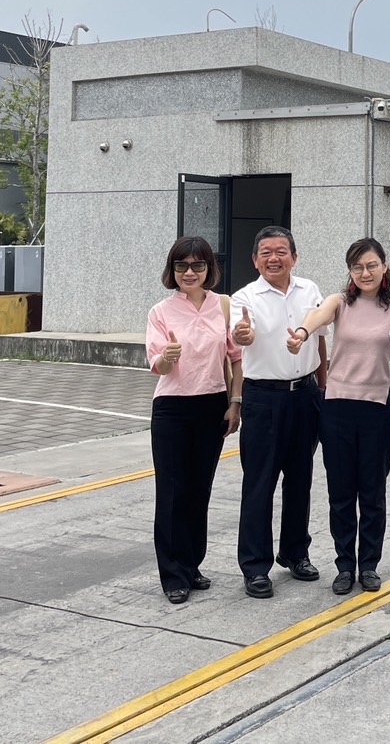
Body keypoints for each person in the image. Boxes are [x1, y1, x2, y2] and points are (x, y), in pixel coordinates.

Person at [288, 238, 390, 595]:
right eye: (357, 267)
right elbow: (317, 316)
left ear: (384, 266)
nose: (365, 272)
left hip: (376, 411)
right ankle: (344, 566)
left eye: (371, 265)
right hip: (337, 408)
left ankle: (369, 566)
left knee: (372, 493)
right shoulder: (340, 303)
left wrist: (381, 389)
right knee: (340, 494)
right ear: (350, 272)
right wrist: (301, 333)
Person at [229, 225, 327, 599]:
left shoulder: (310, 290)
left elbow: (320, 341)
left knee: (300, 479)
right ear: (255, 260)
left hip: (305, 395)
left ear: (294, 257)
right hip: (263, 400)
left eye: (281, 251)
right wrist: (243, 334)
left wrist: (324, 388)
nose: (274, 258)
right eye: (266, 252)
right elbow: (243, 334)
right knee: (260, 483)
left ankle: (295, 553)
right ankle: (255, 566)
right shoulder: (244, 298)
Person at [144, 235, 242, 604]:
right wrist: (168, 356)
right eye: (181, 266)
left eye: (197, 265)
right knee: (172, 492)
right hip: (172, 408)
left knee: (200, 491)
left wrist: (235, 403)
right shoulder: (161, 312)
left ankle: (191, 565)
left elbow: (236, 358)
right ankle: (173, 576)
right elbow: (158, 365)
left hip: (212, 404)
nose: (189, 272)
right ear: (172, 270)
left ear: (208, 269)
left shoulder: (223, 306)